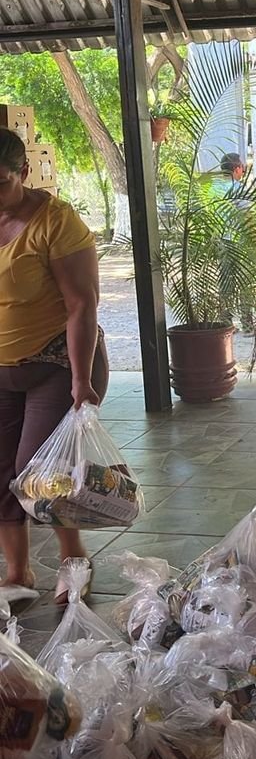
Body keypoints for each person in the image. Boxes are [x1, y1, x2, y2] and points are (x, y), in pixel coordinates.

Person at [0, 128, 109, 599]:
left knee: (39, 470)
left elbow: (82, 305)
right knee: (2, 473)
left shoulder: (56, 222)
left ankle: (73, 558)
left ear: (23, 172)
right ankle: (18, 571)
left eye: (0, 183)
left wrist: (82, 381)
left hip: (57, 363)